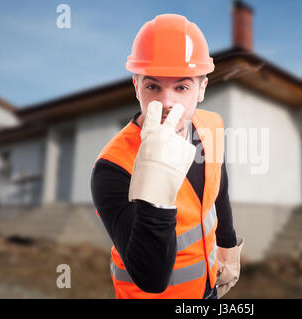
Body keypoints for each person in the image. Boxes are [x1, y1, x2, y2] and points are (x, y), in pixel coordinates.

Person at [90, 13, 244, 299]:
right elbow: (151, 277)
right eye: (153, 86)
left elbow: (217, 189)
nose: (167, 102)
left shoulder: (211, 125)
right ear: (136, 87)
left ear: (201, 89)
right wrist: (156, 190)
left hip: (208, 289)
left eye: (182, 87)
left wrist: (228, 247)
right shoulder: (112, 168)